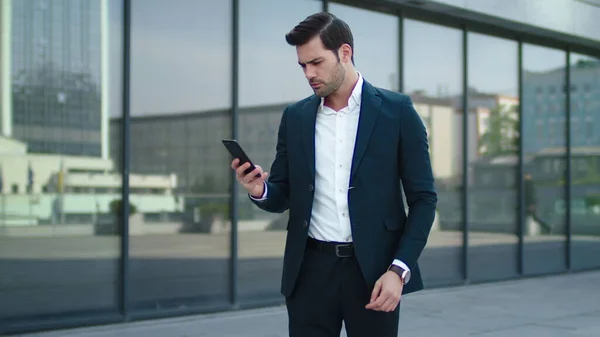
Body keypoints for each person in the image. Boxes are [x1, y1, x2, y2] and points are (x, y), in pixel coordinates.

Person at [231, 12, 437, 337]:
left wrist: (399, 270)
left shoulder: (397, 112)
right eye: (302, 65)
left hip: (374, 274)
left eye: (316, 62)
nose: (309, 74)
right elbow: (282, 195)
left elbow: (424, 200)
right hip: (310, 273)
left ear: (344, 52)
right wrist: (260, 190)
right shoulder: (296, 117)